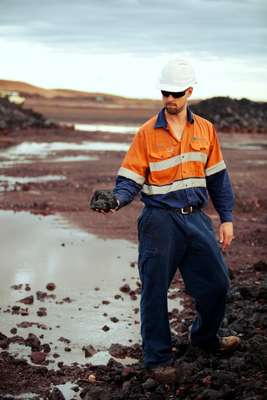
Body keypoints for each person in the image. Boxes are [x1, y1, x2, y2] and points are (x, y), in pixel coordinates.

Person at [92, 59, 240, 373]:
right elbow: (130, 179)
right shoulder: (147, 133)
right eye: (164, 93)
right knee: (155, 290)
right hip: (159, 222)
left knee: (217, 284)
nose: (169, 99)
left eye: (175, 93)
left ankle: (204, 337)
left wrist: (226, 217)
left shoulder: (205, 130)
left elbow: (217, 178)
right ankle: (157, 360)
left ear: (189, 91)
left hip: (196, 219)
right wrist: (116, 200)